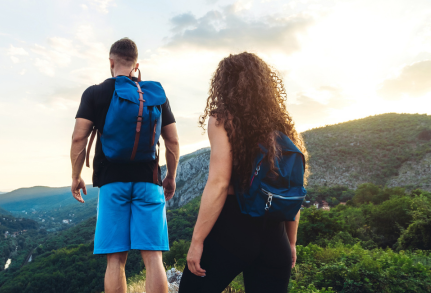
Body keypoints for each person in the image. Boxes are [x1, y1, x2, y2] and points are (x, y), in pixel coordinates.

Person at [179, 52, 310, 293]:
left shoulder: (223, 119)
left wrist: (197, 241)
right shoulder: (283, 127)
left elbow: (219, 183)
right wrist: (291, 243)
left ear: (224, 84)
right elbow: (293, 191)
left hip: (233, 229)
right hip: (275, 235)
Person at [69, 37, 180, 293]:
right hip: (150, 182)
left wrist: (76, 176)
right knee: (153, 257)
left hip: (112, 183)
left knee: (116, 260)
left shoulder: (95, 93)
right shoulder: (155, 94)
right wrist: (171, 176)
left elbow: (78, 138)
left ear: (111, 62)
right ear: (136, 65)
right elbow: (172, 141)